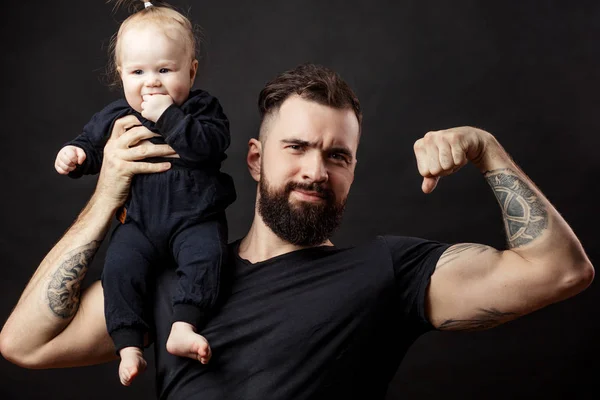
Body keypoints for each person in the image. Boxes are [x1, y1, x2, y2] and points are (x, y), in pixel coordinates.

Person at [0, 63, 594, 399]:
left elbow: (559, 271)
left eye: (338, 156)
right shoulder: (175, 280)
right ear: (256, 160)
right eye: (298, 147)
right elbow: (24, 343)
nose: (316, 170)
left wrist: (486, 150)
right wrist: (107, 198)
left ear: (354, 170)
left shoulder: (386, 274)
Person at [52, 0, 236, 386]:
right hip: (138, 224)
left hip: (194, 219)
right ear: (121, 75)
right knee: (119, 269)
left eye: (165, 70)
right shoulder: (117, 116)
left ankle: (184, 326)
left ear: (192, 70)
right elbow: (92, 145)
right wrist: (77, 154)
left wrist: (169, 116)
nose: (151, 82)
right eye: (138, 71)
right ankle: (129, 344)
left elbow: (210, 145)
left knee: (209, 257)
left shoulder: (201, 109)